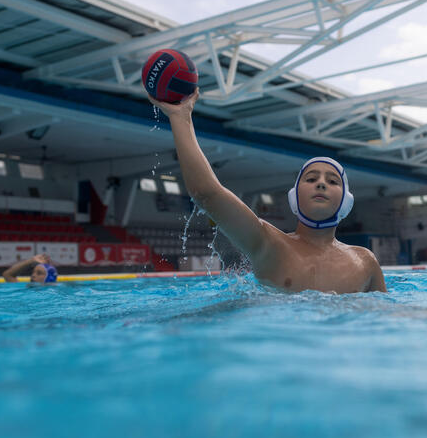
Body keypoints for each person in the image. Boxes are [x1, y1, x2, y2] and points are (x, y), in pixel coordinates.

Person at [149, 89, 386, 293]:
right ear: (295, 197)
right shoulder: (268, 244)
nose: (321, 183)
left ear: (346, 202)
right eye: (311, 178)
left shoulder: (365, 261)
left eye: (333, 181)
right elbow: (207, 194)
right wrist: (181, 118)